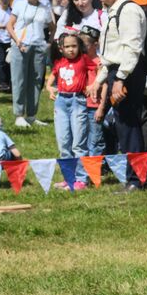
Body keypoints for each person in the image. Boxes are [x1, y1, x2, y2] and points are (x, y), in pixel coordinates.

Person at [94, 0, 147, 181]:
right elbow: (111, 52)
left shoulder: (128, 10)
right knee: (123, 125)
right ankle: (133, 176)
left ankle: (137, 178)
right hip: (117, 71)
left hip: (127, 72)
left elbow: (131, 48)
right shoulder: (113, 10)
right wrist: (99, 80)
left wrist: (120, 79)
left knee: (129, 125)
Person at [45, 33, 95, 187]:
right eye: (67, 47)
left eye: (74, 46)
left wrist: (92, 85)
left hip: (77, 101)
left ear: (79, 46)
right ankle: (69, 177)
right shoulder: (59, 62)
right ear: (61, 49)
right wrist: (49, 87)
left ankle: (81, 179)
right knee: (64, 143)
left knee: (78, 143)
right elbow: (53, 75)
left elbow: (96, 69)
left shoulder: (84, 59)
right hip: (61, 102)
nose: (71, 49)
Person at [8, 0, 53, 127]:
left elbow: (53, 27)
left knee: (36, 81)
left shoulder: (45, 8)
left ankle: (32, 115)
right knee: (19, 80)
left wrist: (49, 44)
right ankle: (19, 115)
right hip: (21, 45)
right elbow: (9, 25)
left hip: (39, 46)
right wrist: (17, 40)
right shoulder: (19, 4)